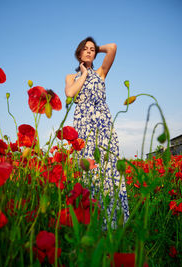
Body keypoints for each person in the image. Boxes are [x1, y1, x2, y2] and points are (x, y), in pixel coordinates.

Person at [65, 37, 129, 229]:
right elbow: (70, 94)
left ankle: (113, 224)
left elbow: (113, 47)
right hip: (83, 126)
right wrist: (83, 73)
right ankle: (92, 223)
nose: (89, 51)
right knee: (88, 172)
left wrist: (96, 48)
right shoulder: (71, 77)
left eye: (92, 50)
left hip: (103, 125)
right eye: (85, 49)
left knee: (108, 170)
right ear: (78, 53)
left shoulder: (101, 72)